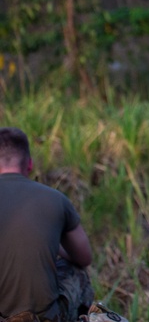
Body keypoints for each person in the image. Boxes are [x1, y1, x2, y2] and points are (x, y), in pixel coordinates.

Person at [0, 127, 94, 322]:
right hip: (44, 317)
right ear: (30, 164)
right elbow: (83, 257)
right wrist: (54, 244)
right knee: (77, 273)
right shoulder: (56, 199)